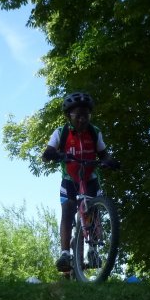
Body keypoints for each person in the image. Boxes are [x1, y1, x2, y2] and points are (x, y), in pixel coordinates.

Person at [41, 92, 119, 274]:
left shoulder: (94, 132)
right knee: (68, 210)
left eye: (86, 115)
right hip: (70, 179)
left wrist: (110, 161)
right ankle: (65, 253)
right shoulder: (61, 132)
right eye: (78, 115)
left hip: (90, 178)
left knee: (95, 211)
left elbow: (103, 153)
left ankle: (93, 250)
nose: (83, 119)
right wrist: (56, 154)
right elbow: (47, 153)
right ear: (69, 115)